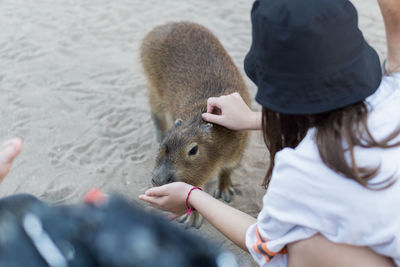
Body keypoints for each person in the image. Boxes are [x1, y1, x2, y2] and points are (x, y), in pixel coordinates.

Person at [139, 0, 400, 266]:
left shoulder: (300, 168)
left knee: (305, 250)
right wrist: (252, 119)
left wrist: (191, 196)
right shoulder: (394, 93)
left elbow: (261, 243)